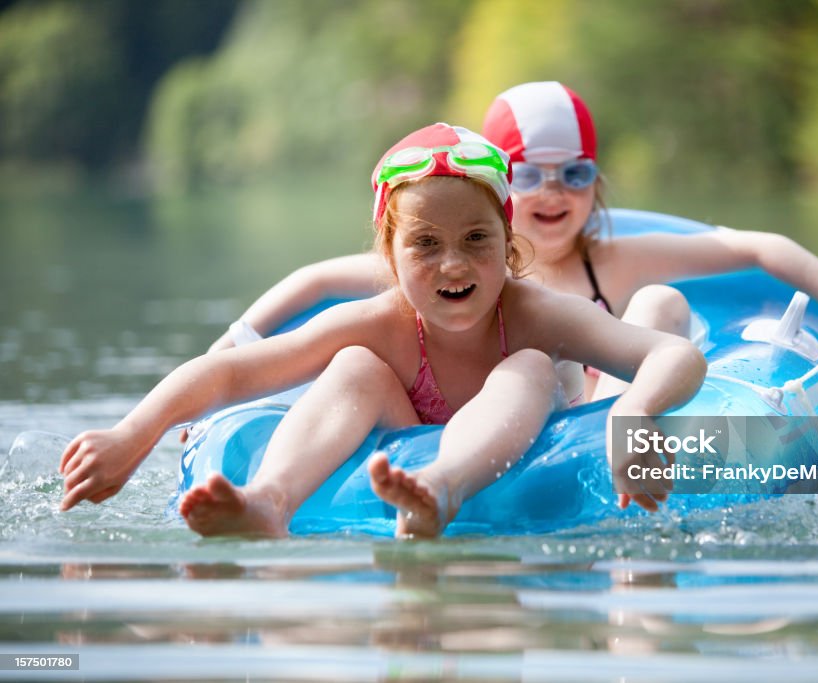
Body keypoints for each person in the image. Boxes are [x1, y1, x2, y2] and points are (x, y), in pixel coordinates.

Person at [59, 123, 707, 538]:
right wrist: (130, 433)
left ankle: (442, 487)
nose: (454, 263)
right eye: (426, 244)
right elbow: (234, 371)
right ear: (389, 259)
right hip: (403, 436)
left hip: (534, 439)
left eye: (477, 239)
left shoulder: (531, 312)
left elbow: (673, 353)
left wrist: (637, 411)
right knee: (353, 366)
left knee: (531, 366)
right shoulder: (383, 320)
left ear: (510, 245)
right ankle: (270, 501)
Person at [203, 82, 818, 408]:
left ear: (593, 184)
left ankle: (633, 430)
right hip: (501, 409)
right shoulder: (458, 261)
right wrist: (227, 350)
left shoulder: (618, 257)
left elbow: (760, 248)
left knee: (659, 303)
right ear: (496, 192)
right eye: (530, 176)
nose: (553, 194)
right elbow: (314, 283)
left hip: (603, 410)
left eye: (575, 175)